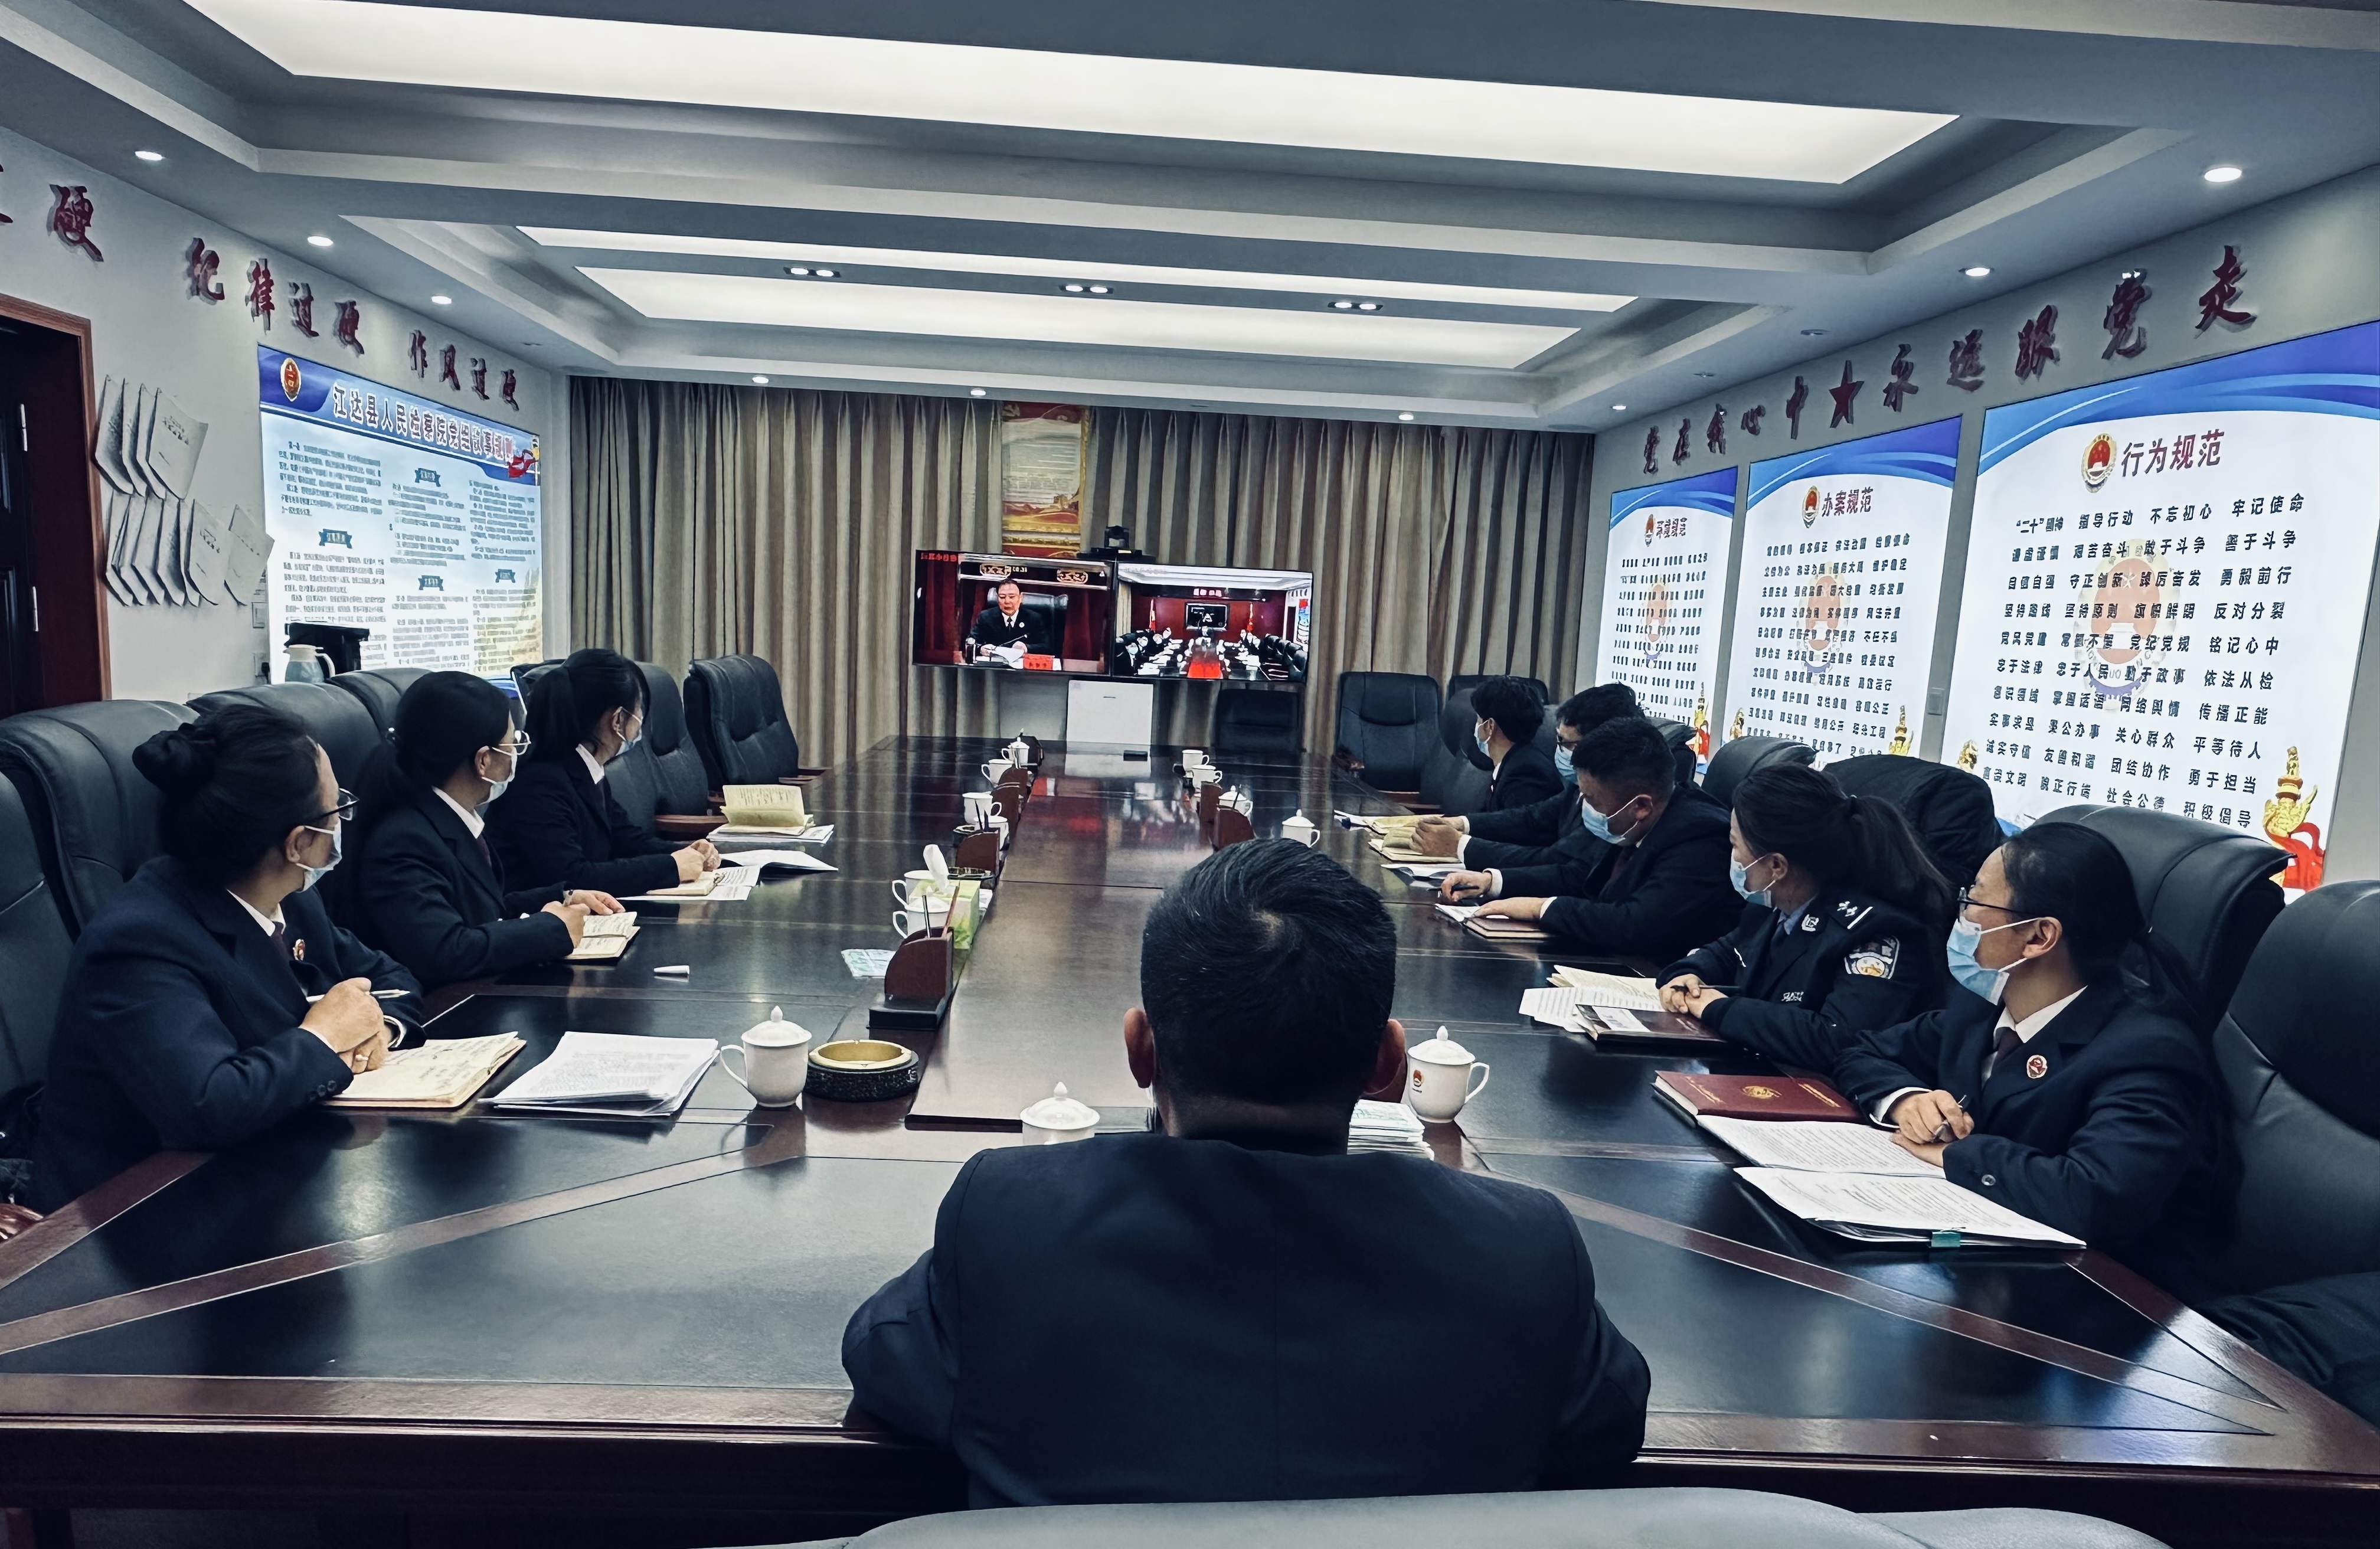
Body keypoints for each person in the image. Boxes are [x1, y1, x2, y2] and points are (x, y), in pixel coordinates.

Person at [843, 840, 1649, 1507]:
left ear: (1141, 1050)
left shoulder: (1012, 1219)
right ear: (1389, 1066)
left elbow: (884, 1360)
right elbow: (1604, 1432)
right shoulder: (1524, 1250)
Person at [27, 704, 422, 1211]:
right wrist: (324, 1038)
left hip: (265, 1165)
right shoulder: (139, 941)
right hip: (137, 1213)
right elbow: (207, 1105)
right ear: (299, 843)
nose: (343, 818)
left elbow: (391, 978)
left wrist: (378, 1027)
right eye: (336, 808)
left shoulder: (290, 895)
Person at [1835, 823, 2221, 1250]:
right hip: (1970, 1234)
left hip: (2094, 1276)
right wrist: (1907, 1099)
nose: (1962, 915)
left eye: (1974, 900)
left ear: (2039, 936)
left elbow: (2099, 1197)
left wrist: (1960, 1155)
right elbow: (1860, 1051)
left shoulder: (2146, 1049)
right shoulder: (1982, 1005)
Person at [1658, 762, 1953, 1073]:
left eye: (1734, 844)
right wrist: (1686, 976)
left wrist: (1717, 1008)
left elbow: (1838, 1039)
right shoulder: (1771, 905)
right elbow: (1725, 953)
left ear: (1776, 866)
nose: (1732, 856)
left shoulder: (1876, 931)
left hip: (1824, 1090)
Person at [350, 671, 627, 991]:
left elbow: (481, 910)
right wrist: (550, 929)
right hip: (442, 1005)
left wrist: (562, 896)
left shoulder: (447, 817)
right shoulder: (404, 841)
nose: (517, 754)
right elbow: (445, 951)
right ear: (483, 761)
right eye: (513, 744)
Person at [1448, 717, 1738, 964]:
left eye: (1590, 799)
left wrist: (1541, 908)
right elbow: (1579, 876)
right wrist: (1492, 882)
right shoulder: (1632, 820)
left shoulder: (1701, 836)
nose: (1583, 806)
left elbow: (1633, 925)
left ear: (1641, 806)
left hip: (1652, 976)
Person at [483, 649, 719, 898]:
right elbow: (573, 876)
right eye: (638, 709)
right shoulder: (539, 784)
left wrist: (686, 852)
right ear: (618, 720)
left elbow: (625, 840)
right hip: (535, 915)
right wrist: (671, 867)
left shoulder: (584, 768)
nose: (641, 718)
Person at [1409, 682, 1641, 869]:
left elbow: (1558, 863)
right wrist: (1461, 824)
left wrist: (1460, 846)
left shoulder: (1615, 806)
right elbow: (1531, 818)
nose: (1558, 749)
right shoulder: (1575, 790)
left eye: (1565, 743)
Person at [1467, 676, 1564, 813]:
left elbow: (1512, 824)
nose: (1476, 725)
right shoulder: (1513, 761)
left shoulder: (1526, 773)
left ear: (1490, 726)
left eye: (1479, 719)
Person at [967, 579, 1044, 658]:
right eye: (1002, 597)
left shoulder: (1034, 618)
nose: (1007, 601)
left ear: (1021, 598)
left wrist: (1026, 648)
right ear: (997, 598)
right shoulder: (985, 617)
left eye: (1012, 597)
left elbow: (1046, 646)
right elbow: (971, 642)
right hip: (994, 663)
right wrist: (981, 648)